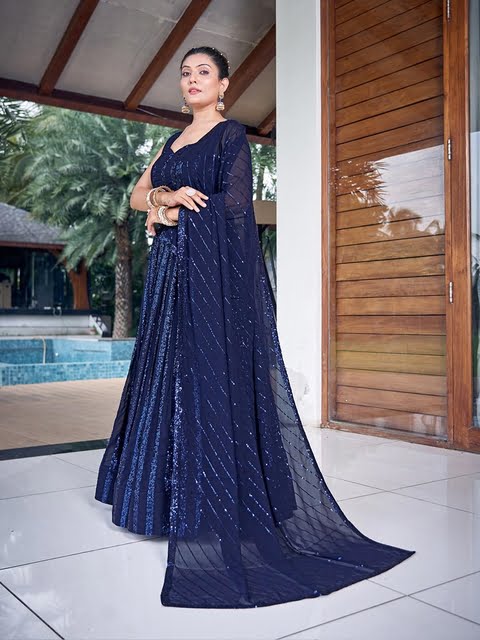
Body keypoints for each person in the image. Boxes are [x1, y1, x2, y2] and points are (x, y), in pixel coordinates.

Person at [95, 45, 415, 609]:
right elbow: (137, 195)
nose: (193, 80)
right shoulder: (170, 143)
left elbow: (236, 205)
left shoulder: (230, 137)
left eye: (204, 72)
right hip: (169, 280)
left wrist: (169, 216)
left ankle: (214, 503)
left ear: (223, 85)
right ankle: (157, 503)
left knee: (209, 384)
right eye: (186, 73)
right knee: (164, 376)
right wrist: (164, 200)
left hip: (208, 282)